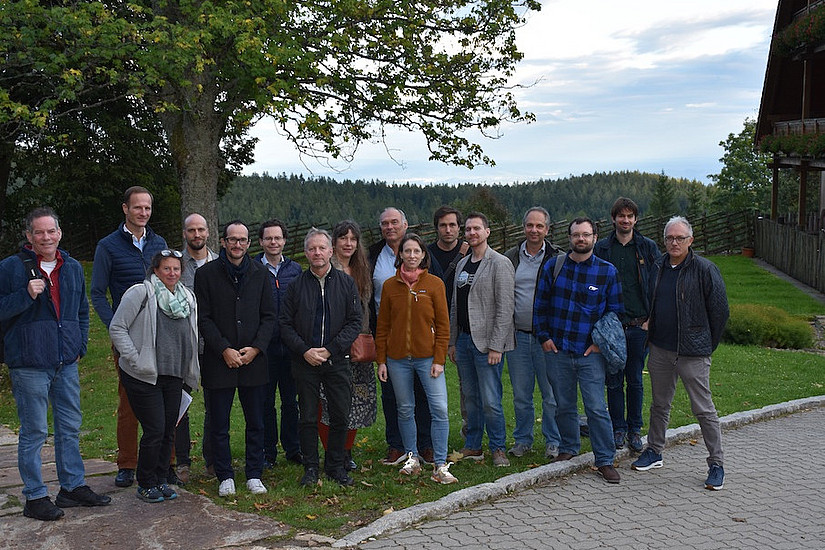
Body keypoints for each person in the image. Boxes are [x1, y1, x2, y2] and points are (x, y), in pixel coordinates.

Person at [0, 207, 111, 520]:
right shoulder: (10, 268)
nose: (46, 237)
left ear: (59, 233)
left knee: (69, 427)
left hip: (66, 362)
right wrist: (25, 295)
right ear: (29, 237)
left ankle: (72, 487)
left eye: (51, 231)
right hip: (29, 362)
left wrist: (81, 345)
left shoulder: (72, 267)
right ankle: (35, 496)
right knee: (35, 431)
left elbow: (81, 312)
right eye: (39, 232)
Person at [631, 216, 730, 491]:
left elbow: (720, 311)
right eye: (670, 238)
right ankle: (654, 451)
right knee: (660, 405)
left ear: (690, 240)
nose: (674, 243)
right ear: (664, 241)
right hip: (660, 348)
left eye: (680, 238)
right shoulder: (658, 266)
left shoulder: (704, 269)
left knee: (703, 409)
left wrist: (706, 344)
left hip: (693, 353)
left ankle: (717, 464)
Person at [533, 217, 623, 484]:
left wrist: (599, 345)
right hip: (558, 351)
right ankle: (569, 448)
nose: (580, 239)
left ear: (595, 237)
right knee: (564, 406)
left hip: (590, 354)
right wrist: (544, 338)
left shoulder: (607, 272)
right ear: (569, 237)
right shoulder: (554, 267)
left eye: (586, 235)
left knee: (596, 407)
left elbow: (615, 312)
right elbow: (540, 305)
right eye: (576, 235)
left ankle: (605, 459)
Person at [91, 186, 168, 489]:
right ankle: (127, 463)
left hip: (158, 333)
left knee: (163, 397)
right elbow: (97, 292)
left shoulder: (159, 243)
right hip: (127, 337)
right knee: (130, 399)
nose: (143, 213)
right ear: (125, 209)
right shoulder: (108, 246)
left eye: (148, 208)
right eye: (138, 208)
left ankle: (165, 461)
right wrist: (115, 328)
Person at [109, 250, 199, 503]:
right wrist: (134, 359)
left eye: (176, 269)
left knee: (169, 429)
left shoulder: (187, 298)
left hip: (175, 373)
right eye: (166, 268)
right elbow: (117, 327)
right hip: (144, 375)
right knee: (155, 429)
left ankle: (161, 479)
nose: (172, 273)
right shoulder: (141, 293)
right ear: (156, 270)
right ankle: (145, 482)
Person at [195, 220, 277, 497]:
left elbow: (269, 317)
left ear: (249, 243)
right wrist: (223, 349)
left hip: (254, 359)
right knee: (219, 423)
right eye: (233, 239)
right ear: (223, 241)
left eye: (242, 240)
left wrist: (256, 348)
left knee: (256, 422)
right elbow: (203, 317)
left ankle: (254, 473)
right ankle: (224, 474)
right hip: (220, 360)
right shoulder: (206, 274)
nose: (237, 244)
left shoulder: (261, 274)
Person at [280, 228, 362, 487]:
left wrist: (331, 350)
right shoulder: (295, 286)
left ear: (330, 251)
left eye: (321, 248)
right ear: (306, 253)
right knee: (306, 416)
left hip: (337, 359)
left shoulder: (346, 283)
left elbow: (354, 321)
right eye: (312, 248)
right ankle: (311, 467)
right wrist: (305, 350)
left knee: (340, 414)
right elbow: (284, 324)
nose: (317, 252)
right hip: (305, 361)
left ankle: (335, 465)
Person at [376, 234, 456, 484]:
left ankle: (440, 464)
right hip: (397, 359)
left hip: (428, 358)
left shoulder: (434, 284)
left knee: (440, 409)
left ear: (423, 255)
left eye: (416, 251)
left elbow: (443, 326)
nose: (411, 256)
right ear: (400, 255)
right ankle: (413, 459)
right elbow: (383, 325)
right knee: (405, 408)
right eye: (407, 251)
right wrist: (381, 360)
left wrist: (439, 359)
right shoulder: (390, 285)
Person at [448, 212, 515, 468]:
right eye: (468, 229)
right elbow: (456, 305)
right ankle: (474, 445)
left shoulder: (499, 263)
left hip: (488, 344)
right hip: (465, 341)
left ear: (487, 232)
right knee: (470, 397)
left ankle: (498, 447)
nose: (472, 233)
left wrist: (497, 345)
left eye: (477, 228)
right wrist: (453, 341)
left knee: (490, 399)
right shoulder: (463, 265)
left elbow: (505, 307)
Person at [594, 197, 660, 453]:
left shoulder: (647, 248)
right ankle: (617, 428)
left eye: (630, 216)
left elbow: (657, 286)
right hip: (611, 327)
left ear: (635, 219)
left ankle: (634, 429)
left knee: (634, 379)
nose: (625, 220)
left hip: (637, 325)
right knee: (613, 380)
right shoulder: (602, 248)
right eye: (621, 216)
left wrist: (650, 321)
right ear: (613, 219)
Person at [369, 207, 433, 466]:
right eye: (384, 223)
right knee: (391, 393)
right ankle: (396, 444)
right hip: (386, 333)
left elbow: (437, 289)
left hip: (420, 337)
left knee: (423, 391)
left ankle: (425, 444)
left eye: (395, 222)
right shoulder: (373, 254)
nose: (390, 227)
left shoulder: (421, 251)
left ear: (405, 224)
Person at [503, 207, 563, 460]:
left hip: (546, 337)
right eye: (530, 225)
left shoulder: (558, 258)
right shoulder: (511, 257)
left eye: (539, 226)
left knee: (551, 394)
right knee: (521, 394)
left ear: (547, 229)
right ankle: (523, 440)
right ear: (523, 227)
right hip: (517, 336)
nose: (534, 230)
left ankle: (553, 440)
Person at [317, 220, 377, 472]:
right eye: (343, 238)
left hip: (359, 346)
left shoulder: (363, 269)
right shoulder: (325, 269)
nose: (348, 243)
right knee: (327, 402)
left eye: (353, 239)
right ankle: (332, 452)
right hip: (331, 345)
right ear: (334, 242)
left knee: (354, 403)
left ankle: (346, 452)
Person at [256, 219, 303, 467]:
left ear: (284, 240)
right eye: (268, 238)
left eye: (278, 238)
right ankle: (267, 451)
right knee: (265, 402)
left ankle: (293, 448)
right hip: (264, 348)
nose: (273, 242)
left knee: (290, 401)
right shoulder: (253, 268)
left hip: (291, 347)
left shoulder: (295, 270)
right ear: (261, 241)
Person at [177, 213, 218, 482]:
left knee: (215, 403)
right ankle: (181, 461)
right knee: (180, 404)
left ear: (208, 232)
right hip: (183, 344)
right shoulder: (175, 264)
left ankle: (212, 460)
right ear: (185, 234)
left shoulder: (219, 263)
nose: (197, 235)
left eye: (201, 229)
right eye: (191, 230)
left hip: (213, 344)